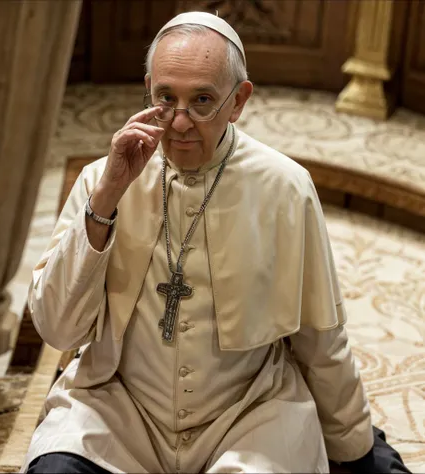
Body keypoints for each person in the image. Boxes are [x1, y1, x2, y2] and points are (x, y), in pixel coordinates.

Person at [23, 11, 411, 474]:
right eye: (165, 98)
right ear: (148, 87)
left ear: (238, 101)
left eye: (202, 100)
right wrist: (107, 198)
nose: (180, 123)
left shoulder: (285, 187)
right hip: (120, 407)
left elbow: (320, 335)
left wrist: (355, 446)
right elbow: (58, 330)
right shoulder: (103, 179)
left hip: (247, 414)